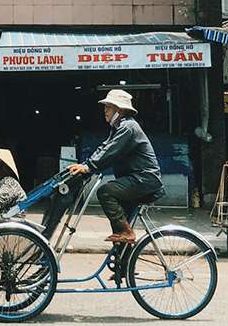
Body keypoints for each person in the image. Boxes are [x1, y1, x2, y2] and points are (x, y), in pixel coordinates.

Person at [67, 89, 164, 244]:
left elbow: (110, 151)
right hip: (136, 179)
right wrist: (85, 165)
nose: (105, 111)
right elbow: (104, 147)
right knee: (118, 232)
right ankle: (123, 261)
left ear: (118, 110)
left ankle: (126, 232)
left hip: (144, 179)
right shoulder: (119, 128)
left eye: (108, 107)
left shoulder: (128, 127)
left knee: (105, 192)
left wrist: (89, 167)